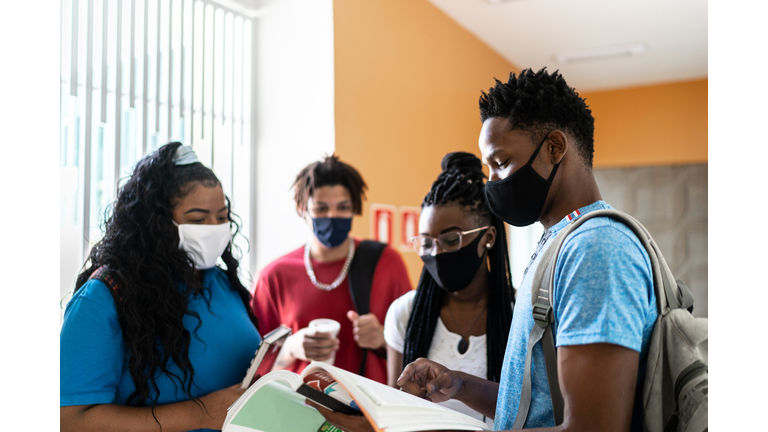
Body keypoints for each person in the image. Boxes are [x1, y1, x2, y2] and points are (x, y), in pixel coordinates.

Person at [311, 68, 659, 432]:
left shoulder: (595, 249)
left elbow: (592, 428)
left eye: (501, 163)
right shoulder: (561, 243)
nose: (491, 183)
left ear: (554, 148)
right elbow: (535, 405)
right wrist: (461, 385)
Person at [60, 142, 262, 432]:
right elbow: (71, 422)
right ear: (155, 223)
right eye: (197, 219)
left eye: (222, 217)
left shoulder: (222, 282)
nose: (216, 228)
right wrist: (201, 413)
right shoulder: (104, 299)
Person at [251, 155, 412, 384]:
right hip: (299, 410)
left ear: (355, 208)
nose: (332, 217)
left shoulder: (386, 262)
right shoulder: (274, 276)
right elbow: (254, 367)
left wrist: (384, 340)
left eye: (343, 207)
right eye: (321, 208)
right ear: (302, 208)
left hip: (368, 412)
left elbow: (419, 345)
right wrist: (291, 348)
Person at [383, 151, 514, 426]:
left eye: (451, 239)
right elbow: (393, 413)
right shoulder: (405, 313)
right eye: (427, 243)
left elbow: (535, 409)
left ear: (487, 238)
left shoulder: (520, 313)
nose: (437, 252)